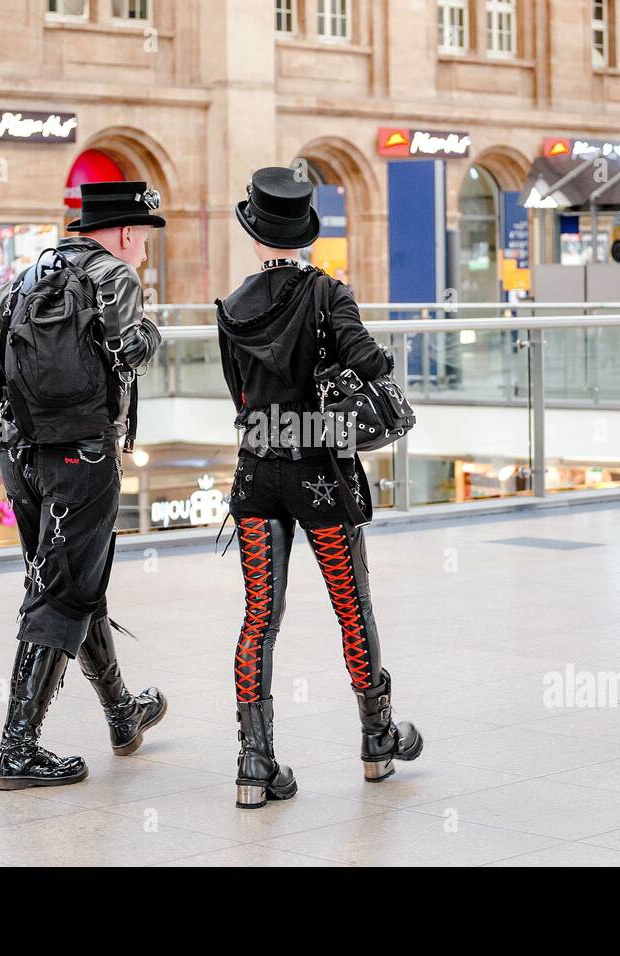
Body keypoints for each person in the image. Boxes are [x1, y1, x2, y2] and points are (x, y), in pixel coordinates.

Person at [0, 181, 168, 790]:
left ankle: (122, 713)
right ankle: (17, 747)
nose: (143, 250)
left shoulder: (27, 277)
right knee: (60, 591)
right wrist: (152, 334)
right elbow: (130, 351)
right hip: (83, 455)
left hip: (19, 453)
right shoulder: (116, 278)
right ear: (126, 233)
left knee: (69, 580)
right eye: (144, 239)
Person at [215, 167, 423, 810]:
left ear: (255, 236)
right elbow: (372, 362)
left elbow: (239, 395)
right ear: (304, 234)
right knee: (350, 608)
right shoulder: (328, 294)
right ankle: (377, 739)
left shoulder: (233, 306)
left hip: (255, 474)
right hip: (319, 478)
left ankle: (256, 762)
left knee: (259, 617)